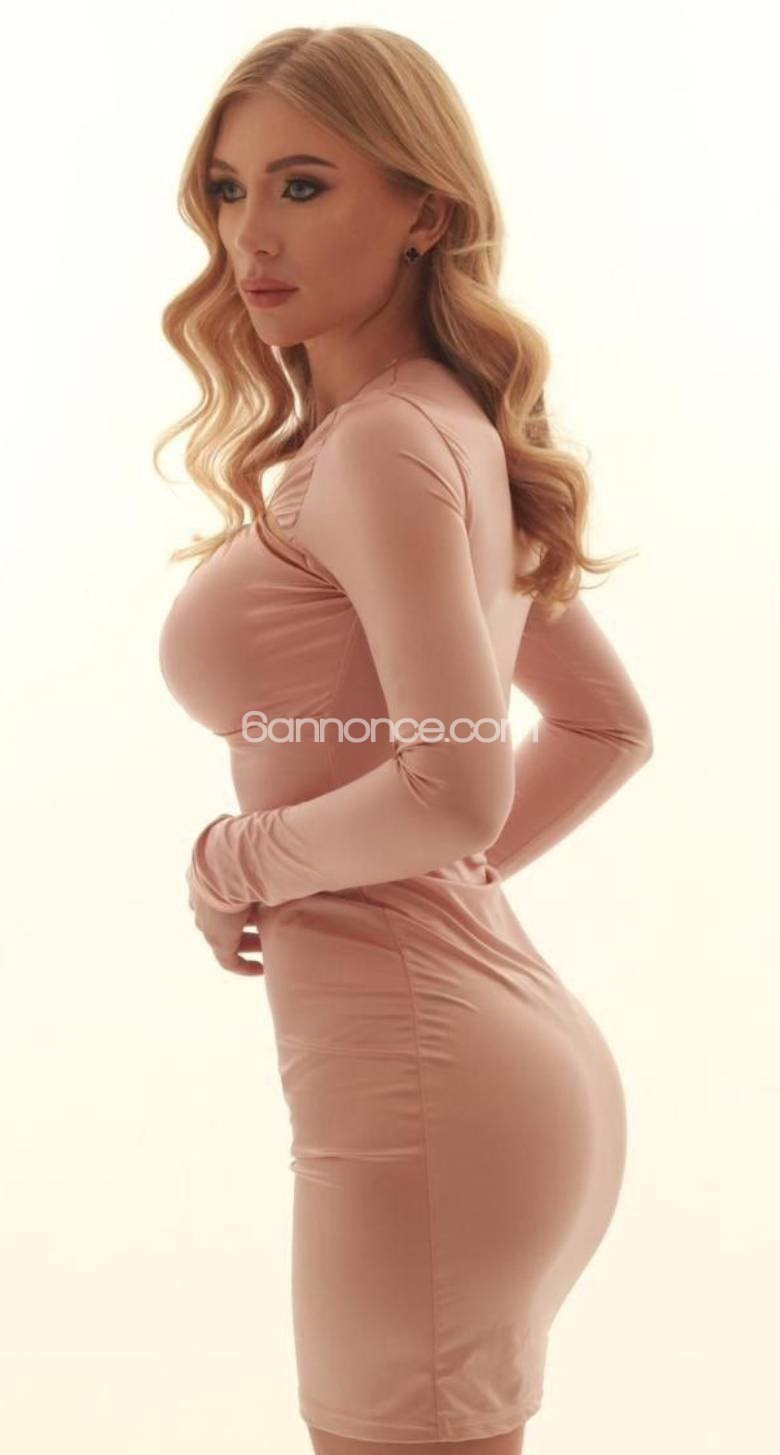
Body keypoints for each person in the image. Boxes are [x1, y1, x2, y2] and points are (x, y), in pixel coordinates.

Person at [157, 26, 653, 1455]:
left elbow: (451, 788)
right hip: (487, 1070)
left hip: (425, 1098)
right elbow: (604, 729)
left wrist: (237, 861)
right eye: (230, 189)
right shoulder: (443, 427)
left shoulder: (384, 445)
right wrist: (416, 886)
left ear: (425, 210)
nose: (252, 235)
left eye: (304, 185)